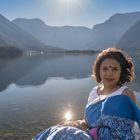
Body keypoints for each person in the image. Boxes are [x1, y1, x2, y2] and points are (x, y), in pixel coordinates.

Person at [32, 48, 140, 140]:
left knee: (64, 133)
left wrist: (90, 132)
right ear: (98, 71)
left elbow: (123, 132)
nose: (109, 73)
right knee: (55, 129)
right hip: (90, 134)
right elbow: (88, 121)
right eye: (105, 68)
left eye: (115, 69)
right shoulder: (94, 92)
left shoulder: (125, 95)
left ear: (121, 72)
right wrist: (76, 123)